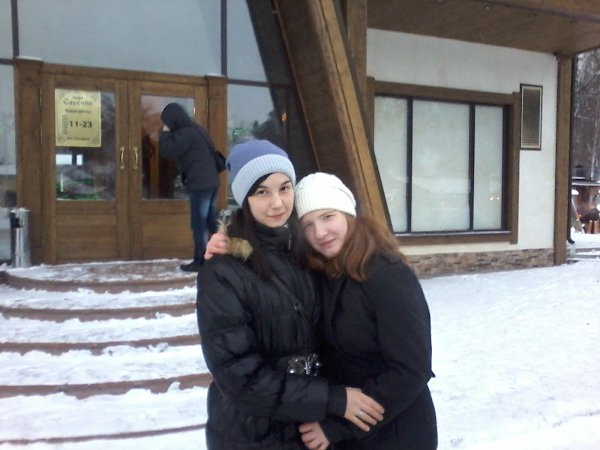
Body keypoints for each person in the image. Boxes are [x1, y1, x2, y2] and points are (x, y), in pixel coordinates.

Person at [195, 141, 384, 450]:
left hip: (313, 430)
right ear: (244, 198)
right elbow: (239, 376)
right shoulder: (223, 270)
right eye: (262, 192)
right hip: (252, 435)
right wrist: (334, 400)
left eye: (284, 188)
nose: (277, 203)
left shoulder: (308, 252)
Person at [294, 172, 438, 450]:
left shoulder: (387, 275)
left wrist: (336, 427)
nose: (319, 233)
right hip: (352, 433)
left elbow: (411, 369)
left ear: (348, 215)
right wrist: (231, 249)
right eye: (308, 225)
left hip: (396, 432)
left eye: (327, 217)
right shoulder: (324, 272)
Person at [159, 102, 220, 272]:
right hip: (211, 182)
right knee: (210, 221)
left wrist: (165, 132)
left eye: (166, 121)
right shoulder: (196, 129)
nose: (165, 124)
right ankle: (228, 254)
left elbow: (167, 150)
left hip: (201, 184)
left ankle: (201, 261)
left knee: (199, 224)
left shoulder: (185, 133)